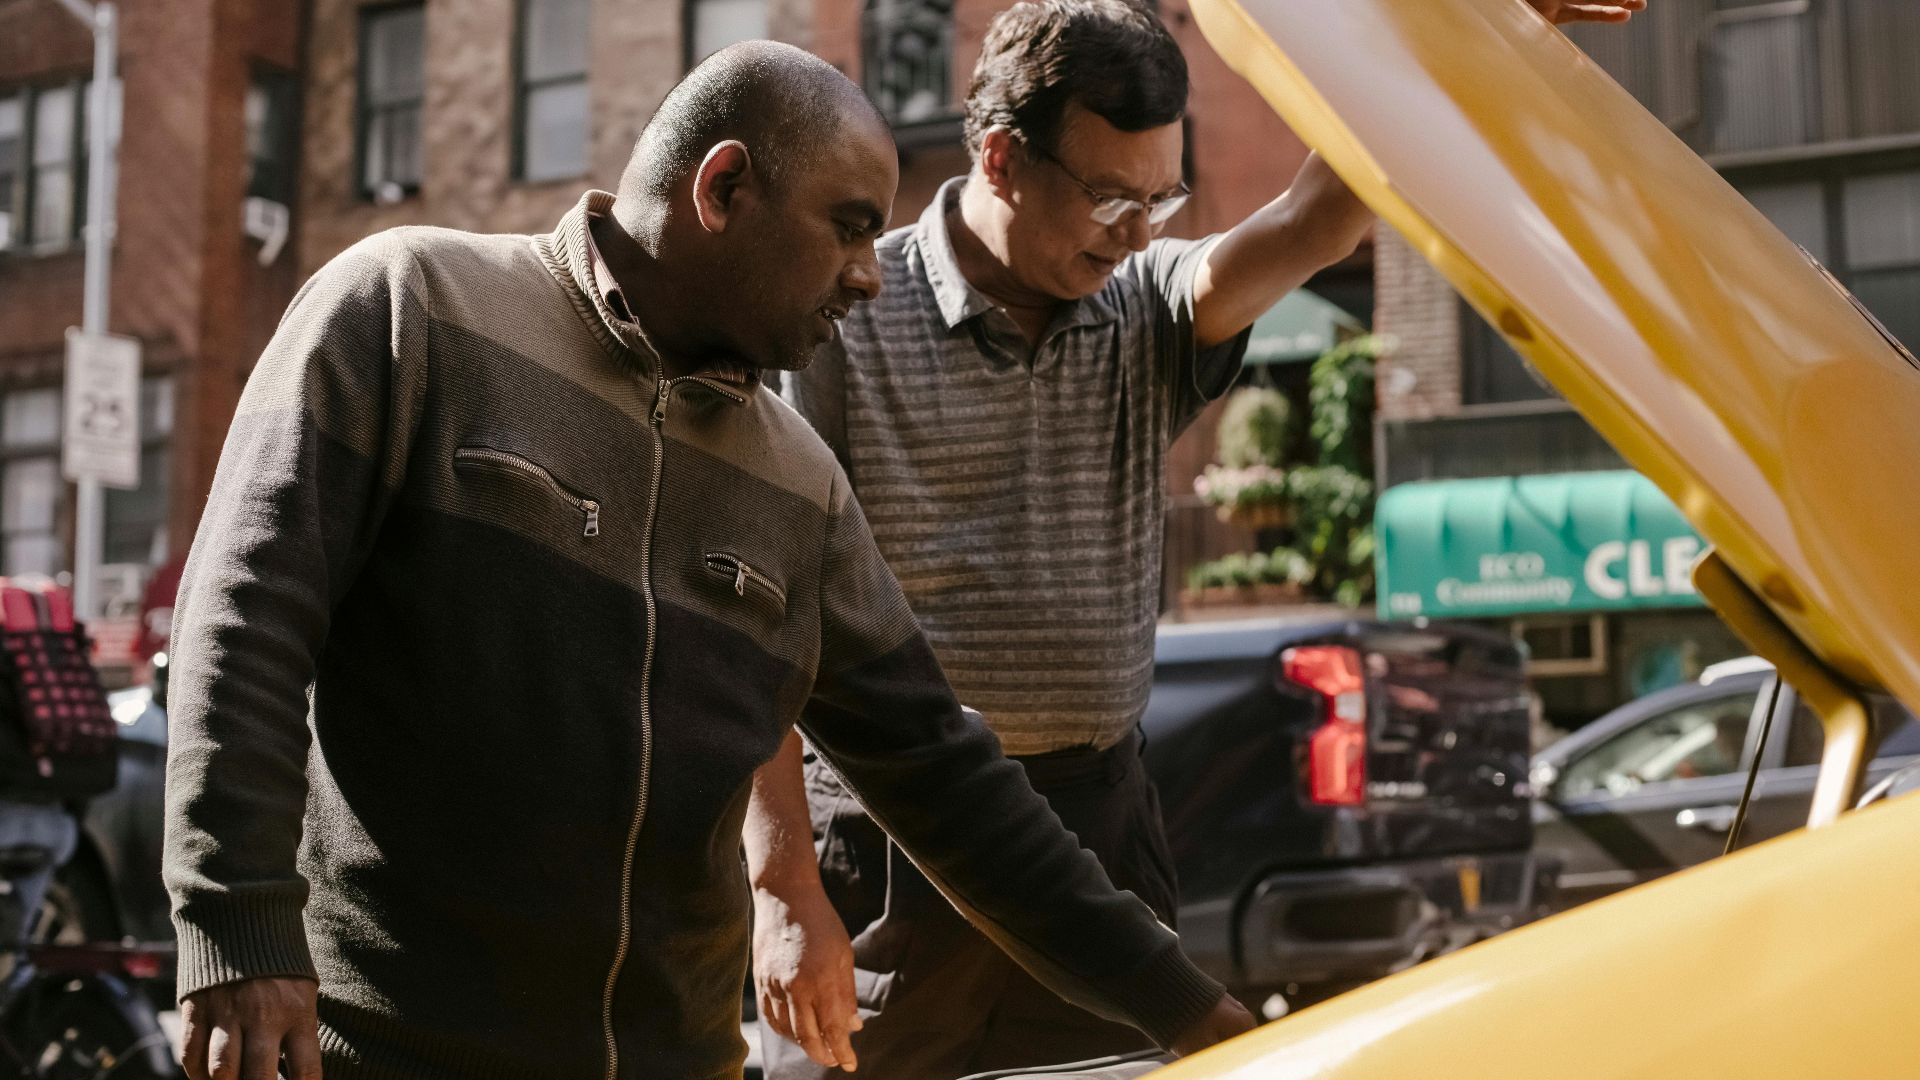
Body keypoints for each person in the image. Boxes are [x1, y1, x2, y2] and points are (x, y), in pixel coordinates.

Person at [162, 42, 1250, 1080]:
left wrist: (1196, 1015)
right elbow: (246, 620)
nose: (871, 278)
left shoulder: (801, 484)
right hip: (385, 1054)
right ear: (723, 188)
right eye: (849, 228)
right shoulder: (412, 309)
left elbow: (951, 784)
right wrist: (240, 928)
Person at [746, 1, 1649, 1076]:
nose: (1140, 232)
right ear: (1000, 157)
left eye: (1161, 195)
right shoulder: (844, 316)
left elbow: (1317, 220)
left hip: (1100, 832)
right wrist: (782, 889)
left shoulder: (1149, 307)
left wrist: (1468, 33)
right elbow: (764, 613)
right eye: (1110, 197)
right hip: (893, 839)